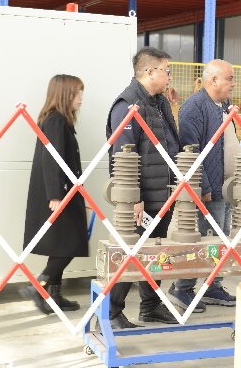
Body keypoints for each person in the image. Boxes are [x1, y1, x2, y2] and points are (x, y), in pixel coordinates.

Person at [104, 47, 180, 328]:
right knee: (130, 254)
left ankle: (151, 306)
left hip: (163, 193)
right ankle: (111, 313)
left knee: (156, 253)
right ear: (150, 72)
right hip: (141, 199)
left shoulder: (158, 103)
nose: (169, 76)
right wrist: (133, 198)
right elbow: (123, 154)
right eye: (166, 71)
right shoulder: (127, 105)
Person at [169, 59, 239, 312]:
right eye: (229, 78)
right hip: (209, 190)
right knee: (200, 240)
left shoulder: (223, 105)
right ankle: (182, 288)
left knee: (219, 241)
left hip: (225, 188)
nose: (233, 83)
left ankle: (212, 286)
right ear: (213, 80)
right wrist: (205, 187)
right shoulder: (194, 107)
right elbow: (190, 151)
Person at [20, 74, 88, 315]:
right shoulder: (56, 120)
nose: (81, 98)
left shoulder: (58, 120)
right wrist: (56, 195)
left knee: (61, 244)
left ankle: (54, 294)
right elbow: (51, 159)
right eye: (77, 93)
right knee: (69, 243)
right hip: (60, 193)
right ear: (64, 95)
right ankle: (40, 286)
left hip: (65, 190)